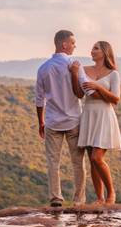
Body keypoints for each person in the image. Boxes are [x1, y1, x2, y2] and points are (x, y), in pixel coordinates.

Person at [35, 30, 88, 207]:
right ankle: (79, 200)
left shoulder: (43, 68)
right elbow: (81, 93)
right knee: (78, 162)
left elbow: (39, 98)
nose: (75, 46)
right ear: (64, 44)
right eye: (73, 43)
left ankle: (56, 197)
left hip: (52, 121)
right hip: (74, 120)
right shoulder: (75, 65)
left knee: (53, 162)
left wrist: (40, 121)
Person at [69, 41, 121, 205]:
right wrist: (74, 74)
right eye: (92, 48)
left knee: (96, 157)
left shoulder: (113, 74)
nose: (92, 51)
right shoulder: (84, 70)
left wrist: (97, 87)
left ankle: (111, 193)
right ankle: (99, 197)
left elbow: (115, 99)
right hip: (89, 114)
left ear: (105, 52)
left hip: (104, 115)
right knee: (91, 159)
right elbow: (79, 94)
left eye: (96, 48)